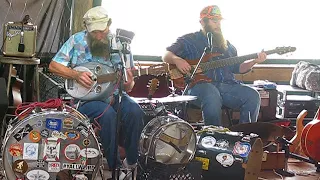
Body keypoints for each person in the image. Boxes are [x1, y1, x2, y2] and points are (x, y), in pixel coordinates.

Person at [48, 6, 144, 178]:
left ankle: (131, 162)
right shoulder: (76, 41)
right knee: (107, 116)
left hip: (114, 94)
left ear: (109, 25)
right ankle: (116, 168)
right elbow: (53, 65)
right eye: (94, 33)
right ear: (87, 28)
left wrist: (129, 81)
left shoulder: (121, 44)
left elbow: (129, 86)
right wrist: (75, 74)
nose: (99, 36)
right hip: (85, 100)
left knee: (135, 111)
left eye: (103, 31)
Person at [162, 5, 267, 126]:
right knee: (211, 94)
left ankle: (244, 137)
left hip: (227, 86)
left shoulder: (228, 46)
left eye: (219, 21)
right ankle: (212, 137)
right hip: (197, 86)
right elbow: (166, 54)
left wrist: (254, 61)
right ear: (203, 22)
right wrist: (177, 60)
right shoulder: (188, 40)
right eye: (214, 21)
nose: (218, 24)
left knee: (252, 95)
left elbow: (238, 68)